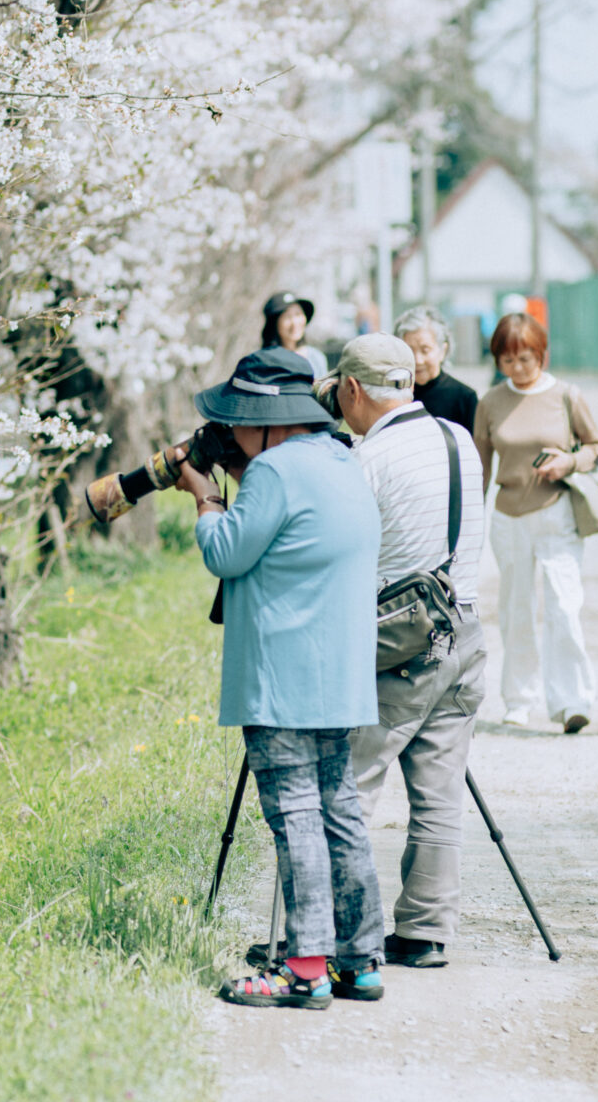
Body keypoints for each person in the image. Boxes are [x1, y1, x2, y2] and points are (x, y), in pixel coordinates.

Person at [176, 348, 385, 1010]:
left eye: (242, 421)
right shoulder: (339, 461)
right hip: (339, 676)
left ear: (268, 421)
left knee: (295, 816)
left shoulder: (272, 472)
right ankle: (361, 960)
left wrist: (206, 497)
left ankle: (304, 969)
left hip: (281, 678)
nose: (234, 432)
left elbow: (225, 552)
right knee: (339, 810)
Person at [327, 334, 487, 970]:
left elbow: (343, 552)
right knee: (439, 795)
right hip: (466, 634)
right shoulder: (459, 440)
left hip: (398, 644)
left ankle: (342, 937)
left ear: (353, 390)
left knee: (353, 789)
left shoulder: (366, 460)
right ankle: (424, 933)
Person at [472, 313, 598, 733]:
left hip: (555, 511)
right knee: (515, 610)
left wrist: (570, 461)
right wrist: (471, 516)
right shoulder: (491, 401)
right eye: (508, 361)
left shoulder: (566, 395)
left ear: (542, 356)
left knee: (565, 605)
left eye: (526, 359)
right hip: (508, 516)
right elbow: (479, 465)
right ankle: (518, 699)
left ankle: (573, 701)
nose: (518, 368)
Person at [396, 304, 478, 432]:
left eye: (425, 350)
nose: (418, 360)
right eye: (410, 350)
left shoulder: (464, 397)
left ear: (442, 351)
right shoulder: (394, 395)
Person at [261, 291, 328, 371]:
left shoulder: (316, 358)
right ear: (274, 324)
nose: (294, 323)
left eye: (298, 314)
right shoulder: (264, 361)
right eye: (287, 317)